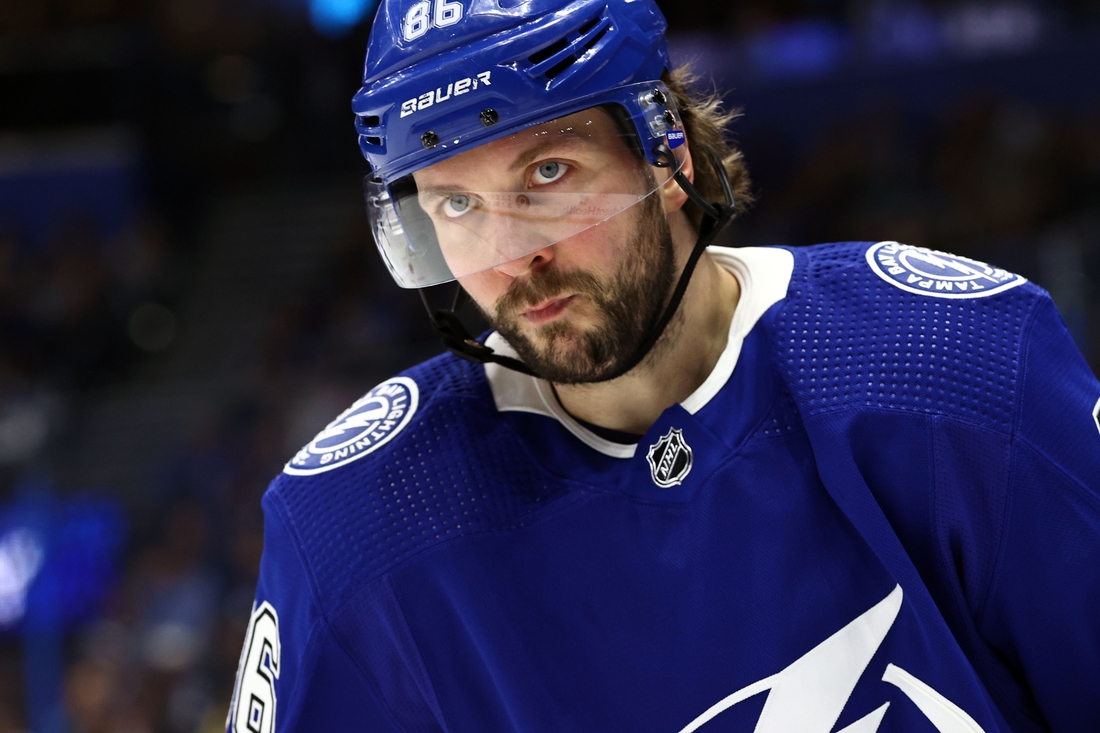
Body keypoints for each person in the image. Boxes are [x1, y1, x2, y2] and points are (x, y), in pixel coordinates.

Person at [227, 0, 1100, 730]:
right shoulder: (352, 530)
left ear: (669, 152)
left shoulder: (952, 359)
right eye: (457, 203)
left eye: (549, 172)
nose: (509, 254)